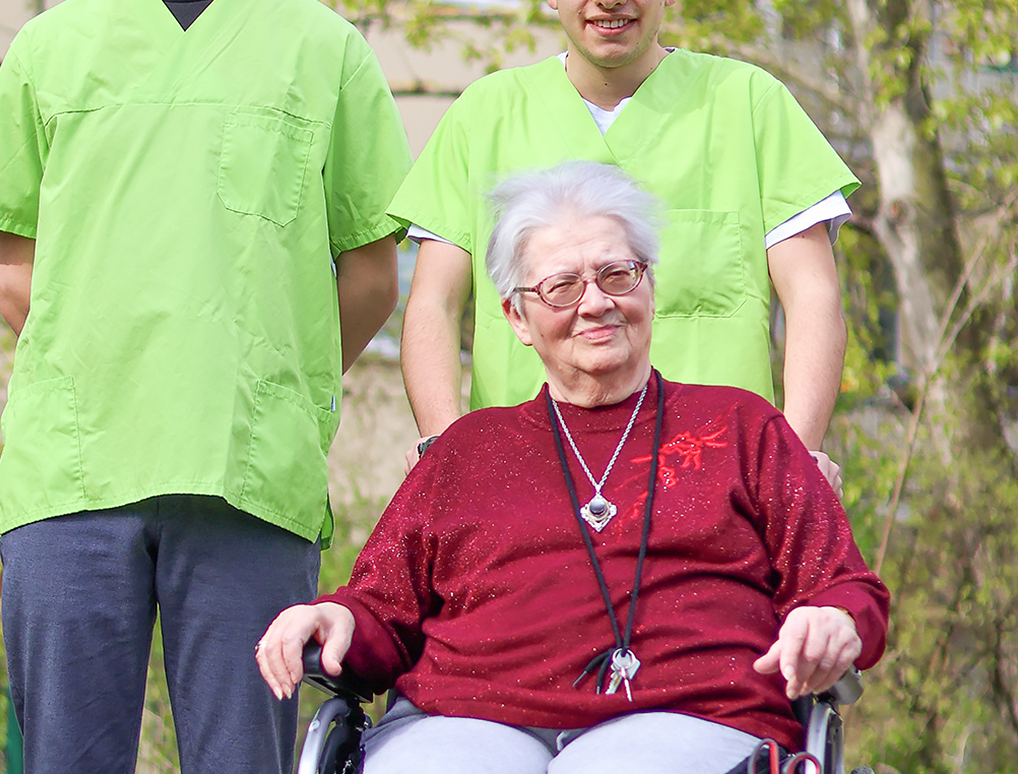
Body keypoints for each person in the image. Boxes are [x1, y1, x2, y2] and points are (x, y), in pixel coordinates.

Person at [0, 0, 412, 774]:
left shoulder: (323, 52)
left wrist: (262, 376)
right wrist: (110, 361)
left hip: (248, 475)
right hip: (73, 476)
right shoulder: (49, 50)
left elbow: (371, 275)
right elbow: (13, 268)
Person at [256, 161, 889, 774]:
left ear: (649, 285)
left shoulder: (742, 428)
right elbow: (382, 612)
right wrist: (336, 617)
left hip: (694, 713)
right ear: (516, 317)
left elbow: (844, 585)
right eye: (562, 287)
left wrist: (833, 620)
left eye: (618, 274)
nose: (596, 304)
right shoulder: (465, 451)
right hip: (466, 722)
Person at [390, 0, 858, 485]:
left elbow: (813, 297)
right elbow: (433, 305)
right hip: (525, 492)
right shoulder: (485, 115)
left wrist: (791, 467)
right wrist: (446, 459)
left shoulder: (749, 106)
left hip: (711, 489)